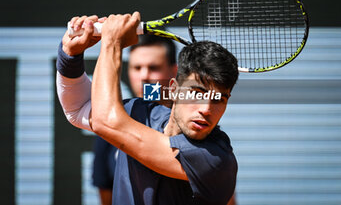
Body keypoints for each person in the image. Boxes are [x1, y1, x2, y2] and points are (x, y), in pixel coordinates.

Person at [57, 13, 239, 205]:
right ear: (174, 89)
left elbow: (105, 119)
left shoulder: (217, 160)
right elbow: (79, 108)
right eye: (197, 93)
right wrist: (70, 57)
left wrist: (112, 43)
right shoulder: (139, 112)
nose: (206, 109)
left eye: (219, 99)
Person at [92, 34, 177, 205]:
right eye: (137, 68)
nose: (144, 75)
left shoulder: (194, 126)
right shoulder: (109, 127)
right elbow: (107, 195)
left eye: (153, 67)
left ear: (174, 71)